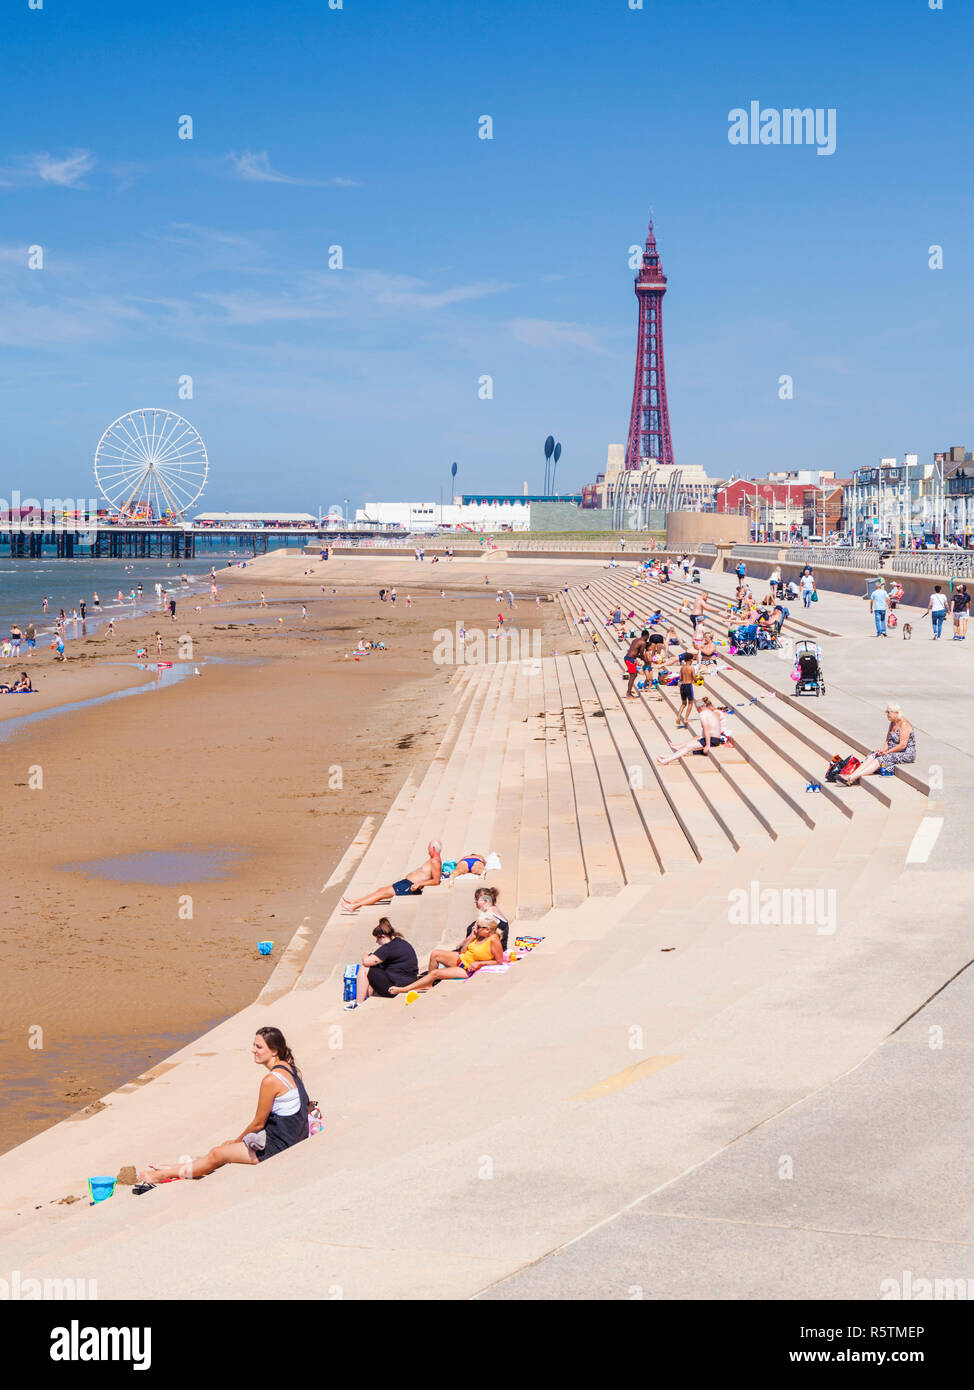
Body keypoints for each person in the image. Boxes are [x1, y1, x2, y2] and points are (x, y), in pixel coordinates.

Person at [135, 1028, 310, 1186]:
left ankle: (162, 1175)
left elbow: (258, 1123)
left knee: (219, 1153)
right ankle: (178, 1167)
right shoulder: (292, 1069)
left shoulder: (271, 1080)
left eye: (259, 1047)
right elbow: (306, 1104)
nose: (253, 1050)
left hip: (280, 1145)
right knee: (220, 1151)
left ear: (274, 1051)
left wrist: (237, 1140)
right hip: (294, 1135)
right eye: (254, 1045)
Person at [390, 916, 503, 995]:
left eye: (478, 927)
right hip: (462, 958)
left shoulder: (493, 940)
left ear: (488, 929)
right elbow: (463, 951)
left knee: (436, 973)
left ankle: (404, 989)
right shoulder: (479, 936)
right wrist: (471, 937)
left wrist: (479, 963)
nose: (475, 929)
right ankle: (428, 983)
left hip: (468, 968)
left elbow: (499, 961)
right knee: (435, 953)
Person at [341, 841, 442, 912]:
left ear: (433, 848)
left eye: (429, 848)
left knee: (381, 894)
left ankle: (354, 906)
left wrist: (419, 883)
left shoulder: (435, 861)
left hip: (410, 886)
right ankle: (355, 901)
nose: (428, 850)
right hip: (407, 883)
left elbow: (436, 881)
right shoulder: (433, 860)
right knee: (381, 890)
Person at [347, 919, 419, 1006]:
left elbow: (366, 962)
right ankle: (367, 998)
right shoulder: (401, 942)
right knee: (374, 969)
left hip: (396, 988)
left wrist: (365, 954)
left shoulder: (388, 948)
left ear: (383, 937)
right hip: (409, 982)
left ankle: (358, 1002)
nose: (378, 943)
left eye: (378, 940)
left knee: (365, 968)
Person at [839, 704, 915, 784]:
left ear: (896, 713)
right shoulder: (893, 722)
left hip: (906, 753)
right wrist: (883, 750)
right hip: (892, 750)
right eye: (886, 712)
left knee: (882, 759)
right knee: (873, 755)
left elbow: (902, 745)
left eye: (888, 712)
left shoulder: (904, 724)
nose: (887, 714)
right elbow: (887, 740)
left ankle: (853, 778)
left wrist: (887, 752)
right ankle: (852, 775)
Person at [657, 696, 727, 764]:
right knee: (688, 746)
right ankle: (667, 757)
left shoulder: (703, 713)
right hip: (713, 738)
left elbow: (706, 729)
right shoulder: (709, 713)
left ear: (698, 708)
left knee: (688, 747)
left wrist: (708, 745)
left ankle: (666, 760)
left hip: (712, 740)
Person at [624, 630, 650, 698]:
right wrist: (646, 661)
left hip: (627, 657)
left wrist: (641, 658)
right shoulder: (643, 643)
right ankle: (628, 693)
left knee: (634, 675)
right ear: (647, 636)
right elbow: (641, 654)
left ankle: (629, 692)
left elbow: (633, 651)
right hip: (630, 659)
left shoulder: (635, 640)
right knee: (632, 676)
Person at [676, 653, 697, 727]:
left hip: (682, 685)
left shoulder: (682, 668)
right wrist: (699, 678)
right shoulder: (691, 668)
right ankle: (685, 718)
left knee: (683, 703)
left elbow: (680, 678)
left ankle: (678, 717)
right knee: (691, 703)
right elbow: (694, 678)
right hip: (688, 685)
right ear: (691, 660)